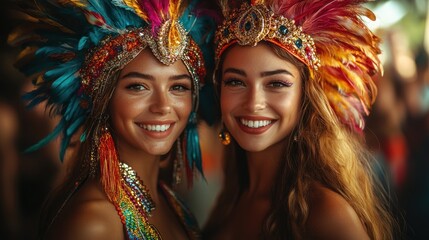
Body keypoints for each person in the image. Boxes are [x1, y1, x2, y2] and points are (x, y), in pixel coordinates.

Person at [9, 0, 215, 239]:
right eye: (138, 86)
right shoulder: (93, 222)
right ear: (104, 98)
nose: (163, 106)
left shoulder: (168, 198)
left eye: (178, 87)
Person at [204, 0, 397, 239]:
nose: (253, 103)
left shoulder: (325, 213)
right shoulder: (233, 195)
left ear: (305, 98)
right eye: (235, 81)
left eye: (276, 84)